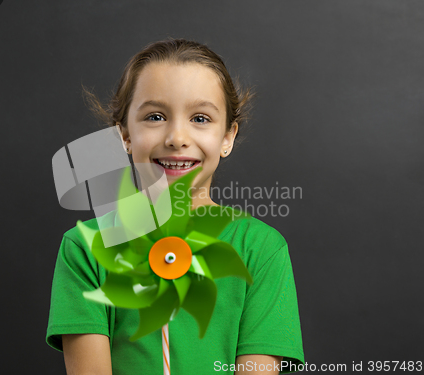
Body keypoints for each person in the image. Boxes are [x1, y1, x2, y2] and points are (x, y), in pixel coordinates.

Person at [46, 38, 304, 374]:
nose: (176, 137)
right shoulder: (85, 247)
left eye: (200, 118)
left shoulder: (261, 249)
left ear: (227, 137)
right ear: (123, 135)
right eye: (155, 116)